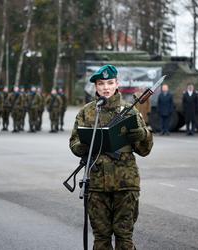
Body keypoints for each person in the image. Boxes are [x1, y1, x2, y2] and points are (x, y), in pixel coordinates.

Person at [69, 65, 153, 249]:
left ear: (117, 84)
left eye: (109, 83)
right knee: (101, 238)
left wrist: (143, 135)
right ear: (96, 87)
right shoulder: (87, 112)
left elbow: (145, 150)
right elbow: (74, 144)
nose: (105, 87)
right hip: (97, 184)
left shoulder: (130, 112)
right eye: (101, 84)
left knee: (124, 237)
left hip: (126, 184)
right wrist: (83, 144)